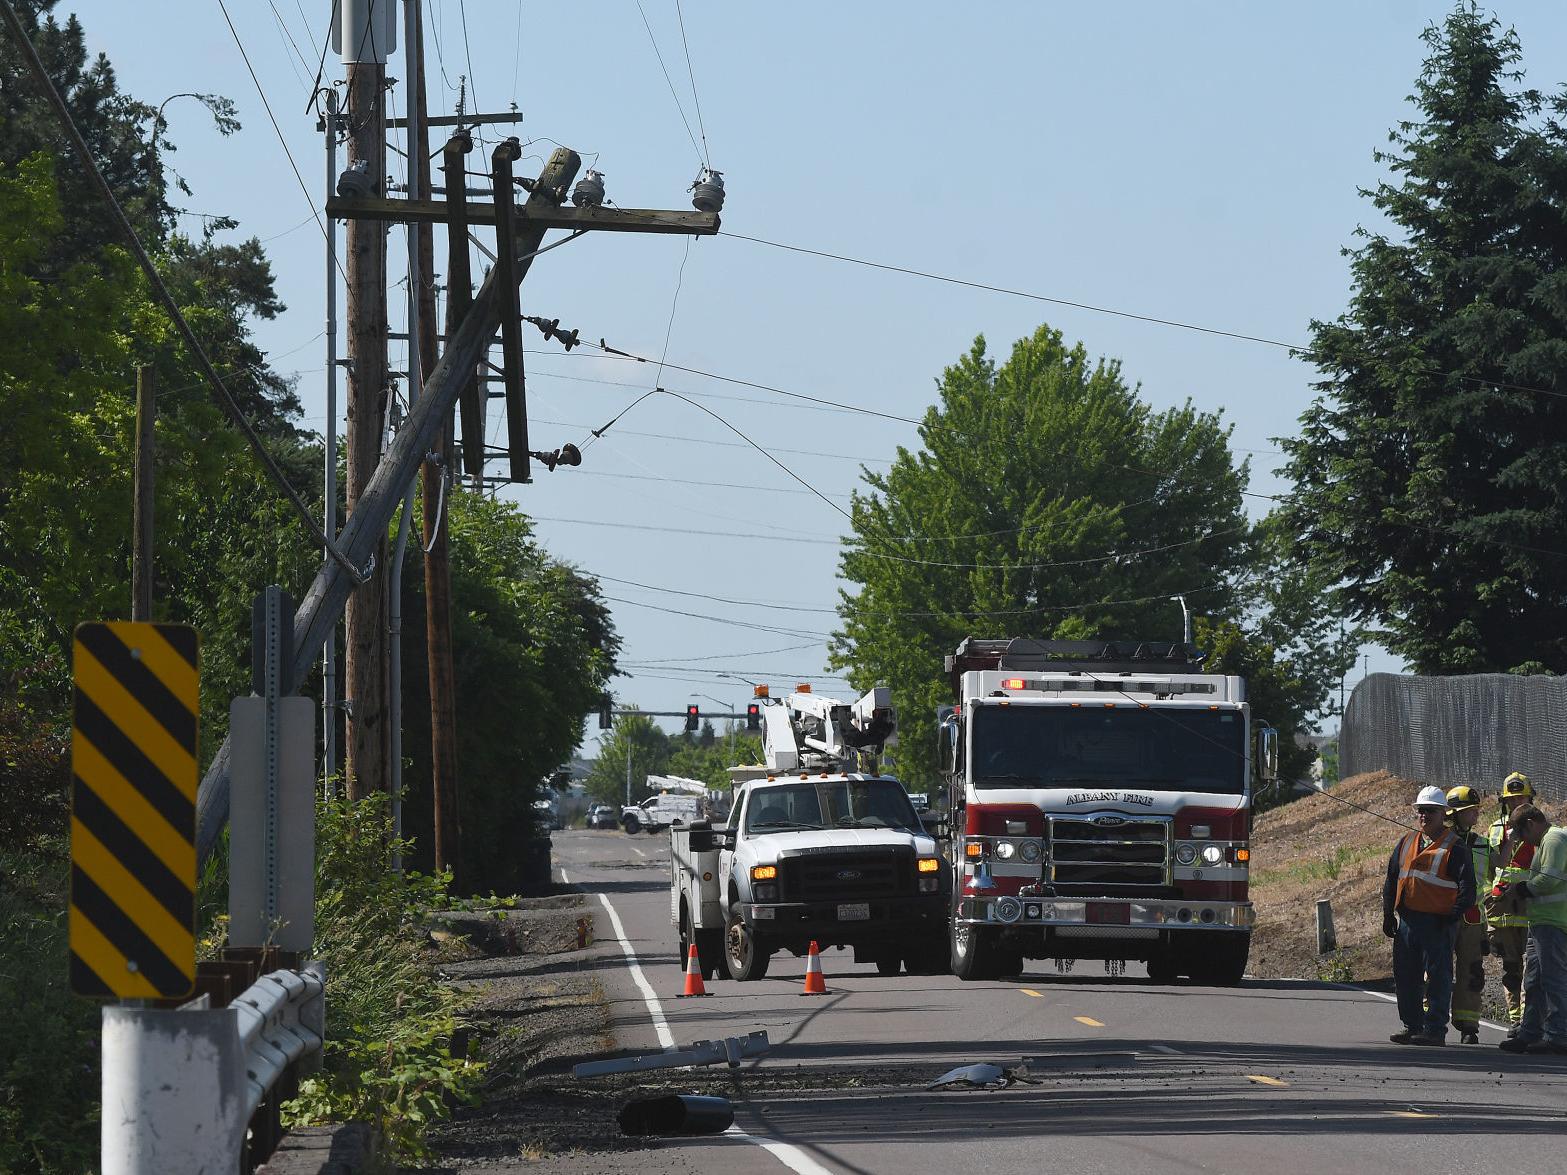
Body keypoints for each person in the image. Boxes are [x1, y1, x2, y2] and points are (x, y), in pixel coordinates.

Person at [1382, 785, 1476, 1046]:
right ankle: (1412, 1025)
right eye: (1421, 811)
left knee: (1438, 977)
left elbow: (1468, 889)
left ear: (1443, 814)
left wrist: (1452, 917)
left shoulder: (1455, 848)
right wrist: (1388, 914)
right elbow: (1392, 879)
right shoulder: (1406, 843)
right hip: (1408, 922)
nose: (1424, 816)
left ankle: (1435, 1030)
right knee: (1406, 976)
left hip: (1438, 923)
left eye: (1430, 812)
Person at [1496, 805, 1567, 1055]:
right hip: (1539, 923)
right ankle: (1530, 1033)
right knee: (1533, 981)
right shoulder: (1543, 844)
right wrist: (1513, 884)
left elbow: (1550, 879)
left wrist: (1521, 889)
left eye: (1522, 833)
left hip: (1554, 923)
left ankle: (1558, 1035)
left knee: (1553, 980)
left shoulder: (1555, 839)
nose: (1524, 840)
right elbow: (1533, 875)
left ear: (1531, 823)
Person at [1486, 772, 1537, 1026]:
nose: (1517, 803)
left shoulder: (1541, 828)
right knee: (1511, 966)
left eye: (1522, 798)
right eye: (1512, 799)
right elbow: (1496, 864)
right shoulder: (1496, 829)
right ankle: (1515, 1019)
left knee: (1532, 967)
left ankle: (1528, 1019)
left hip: (1531, 904)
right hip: (1503, 906)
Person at [1445, 785, 1492, 1044]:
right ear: (1455, 814)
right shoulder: (1440, 842)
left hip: (1473, 918)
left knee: (1472, 971)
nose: (1476, 814)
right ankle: (1433, 1020)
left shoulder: (1481, 844)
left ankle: (1469, 1025)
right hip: (1444, 914)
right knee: (1437, 968)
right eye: (1470, 810)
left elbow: (1500, 865)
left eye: (1476, 810)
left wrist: (1508, 845)